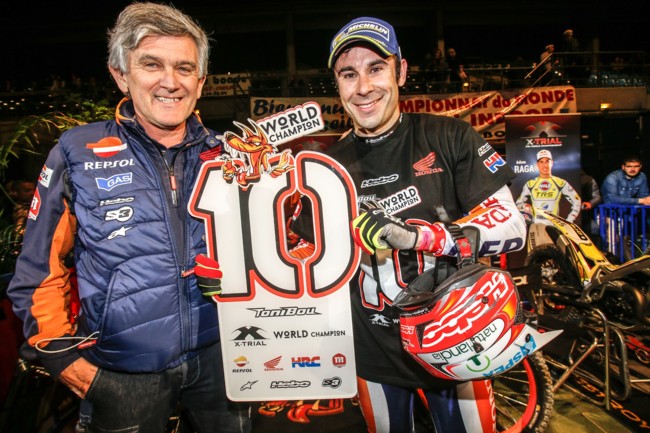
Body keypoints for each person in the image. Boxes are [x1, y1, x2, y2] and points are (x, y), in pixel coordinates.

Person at [6, 3, 250, 433]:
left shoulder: (231, 155)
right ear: (121, 75)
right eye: (152, 65)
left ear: (200, 82)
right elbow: (38, 267)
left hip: (225, 359)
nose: (170, 81)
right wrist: (64, 360)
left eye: (184, 68)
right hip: (121, 372)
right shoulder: (76, 152)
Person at [296, 16, 527, 433]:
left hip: (456, 339)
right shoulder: (325, 168)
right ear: (337, 84)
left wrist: (421, 237)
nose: (363, 87)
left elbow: (512, 226)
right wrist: (239, 275)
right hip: (374, 352)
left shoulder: (450, 135)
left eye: (376, 68)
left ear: (401, 71)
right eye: (349, 74)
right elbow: (306, 256)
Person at [516, 149, 581, 225]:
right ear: (537, 164)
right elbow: (518, 203)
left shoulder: (560, 183)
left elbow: (577, 201)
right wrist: (525, 210)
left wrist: (569, 220)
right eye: (541, 162)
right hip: (535, 226)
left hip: (554, 226)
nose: (545, 165)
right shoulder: (530, 184)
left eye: (547, 161)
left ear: (552, 163)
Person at [580, 168, 603, 244]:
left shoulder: (587, 179)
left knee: (595, 230)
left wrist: (590, 203)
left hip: (583, 217)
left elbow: (597, 197)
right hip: (562, 216)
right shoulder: (559, 177)